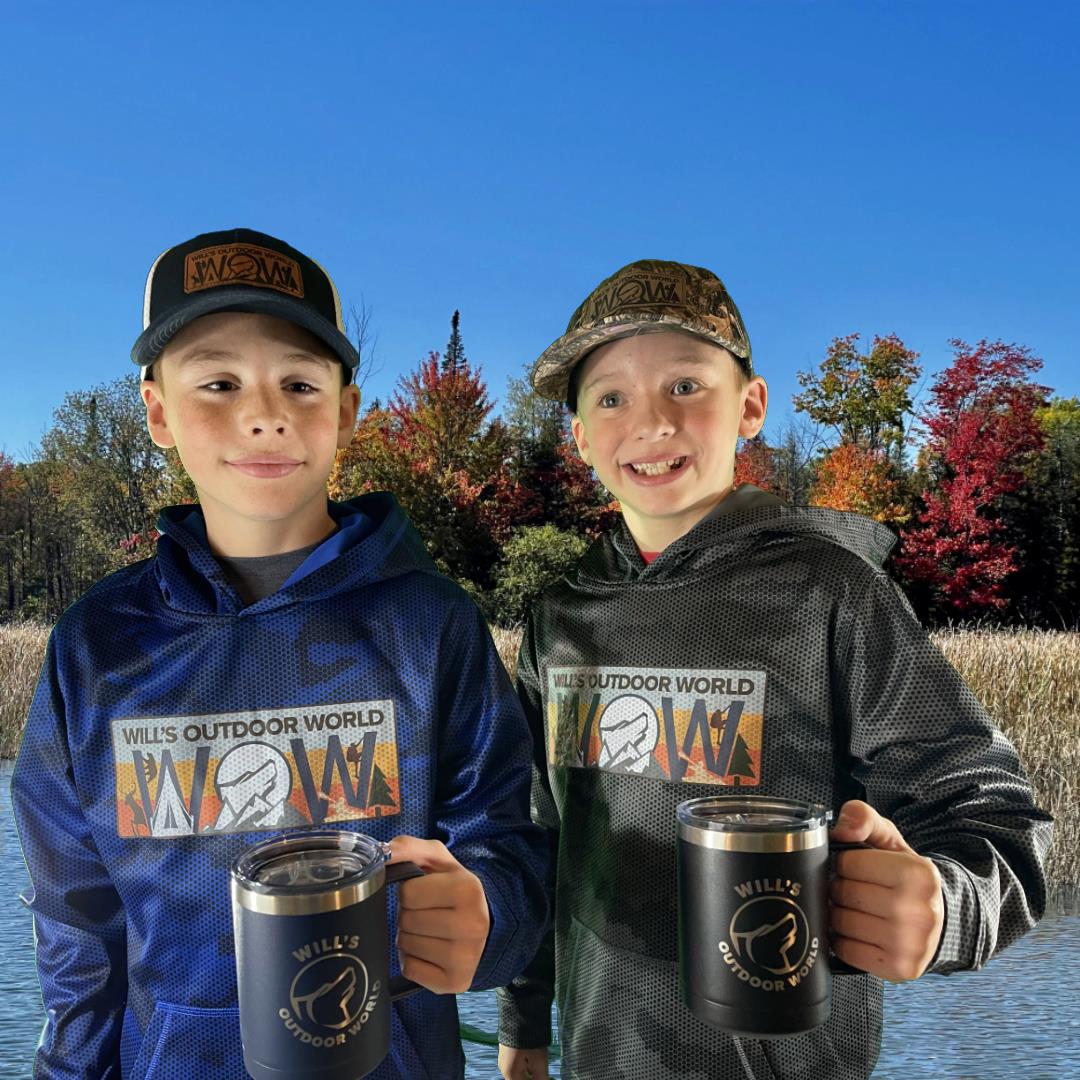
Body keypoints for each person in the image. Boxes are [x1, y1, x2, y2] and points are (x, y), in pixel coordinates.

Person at [11, 227, 548, 1080]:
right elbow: (75, 925)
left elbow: (511, 848)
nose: (263, 412)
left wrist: (490, 914)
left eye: (299, 382)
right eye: (218, 382)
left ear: (344, 411)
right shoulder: (98, 645)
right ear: (156, 410)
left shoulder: (431, 624)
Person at [495, 260, 1052, 1080]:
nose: (650, 422)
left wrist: (945, 906)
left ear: (749, 407)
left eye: (686, 385)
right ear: (578, 434)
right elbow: (538, 838)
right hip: (598, 1060)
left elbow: (993, 810)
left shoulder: (831, 590)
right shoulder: (560, 614)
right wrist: (522, 1032)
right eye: (610, 397)